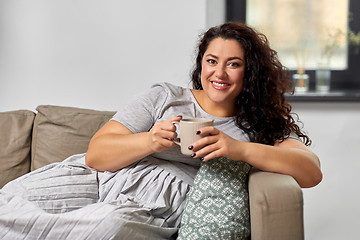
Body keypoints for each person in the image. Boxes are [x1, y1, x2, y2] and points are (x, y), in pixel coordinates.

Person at [0, 22, 322, 239]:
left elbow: (310, 172)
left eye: (233, 64)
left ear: (249, 72)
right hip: (97, 178)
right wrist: (150, 140)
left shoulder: (255, 124)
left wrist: (236, 148)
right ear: (202, 64)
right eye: (212, 61)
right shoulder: (165, 96)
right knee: (6, 204)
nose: (219, 73)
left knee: (105, 227)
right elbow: (97, 154)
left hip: (154, 204)